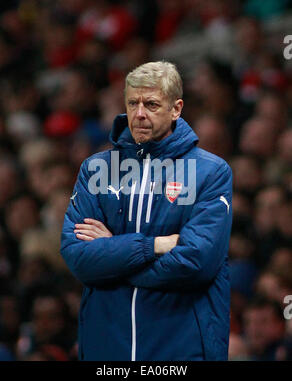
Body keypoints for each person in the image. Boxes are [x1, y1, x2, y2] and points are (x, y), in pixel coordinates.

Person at [60, 61, 233, 361]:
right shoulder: (96, 168)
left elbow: (196, 263)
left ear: (176, 109)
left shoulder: (211, 172)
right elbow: (79, 258)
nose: (139, 114)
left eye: (151, 104)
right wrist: (153, 245)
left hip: (181, 349)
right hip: (107, 349)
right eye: (132, 103)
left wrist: (113, 259)